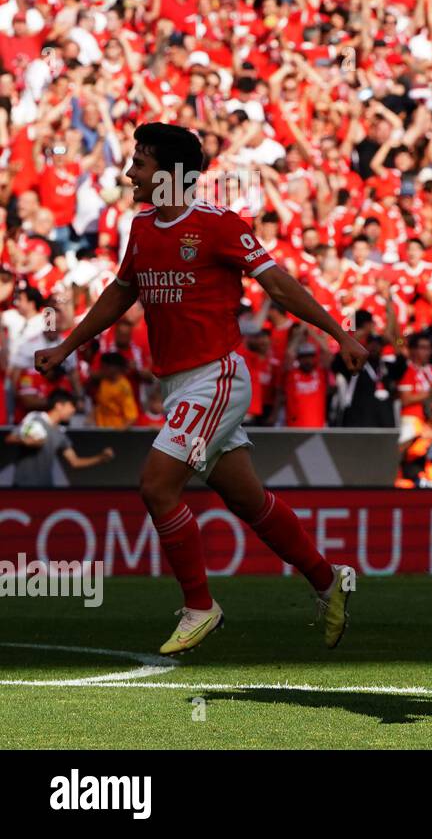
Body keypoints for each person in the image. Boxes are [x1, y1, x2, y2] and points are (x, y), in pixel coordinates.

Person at [34, 123, 368, 655]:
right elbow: (120, 294)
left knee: (156, 486)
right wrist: (68, 345)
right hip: (178, 385)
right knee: (246, 497)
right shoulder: (141, 228)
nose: (128, 174)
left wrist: (337, 333)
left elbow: (278, 284)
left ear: (168, 176)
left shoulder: (219, 226)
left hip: (218, 375)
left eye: (139, 165)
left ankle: (199, 605)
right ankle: (329, 581)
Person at [6, 390, 115, 487]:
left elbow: (75, 462)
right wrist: (26, 441)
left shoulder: (60, 433)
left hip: (46, 489)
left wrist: (100, 458)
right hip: (23, 488)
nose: (73, 410)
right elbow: (10, 438)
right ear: (59, 406)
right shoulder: (35, 418)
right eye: (71, 406)